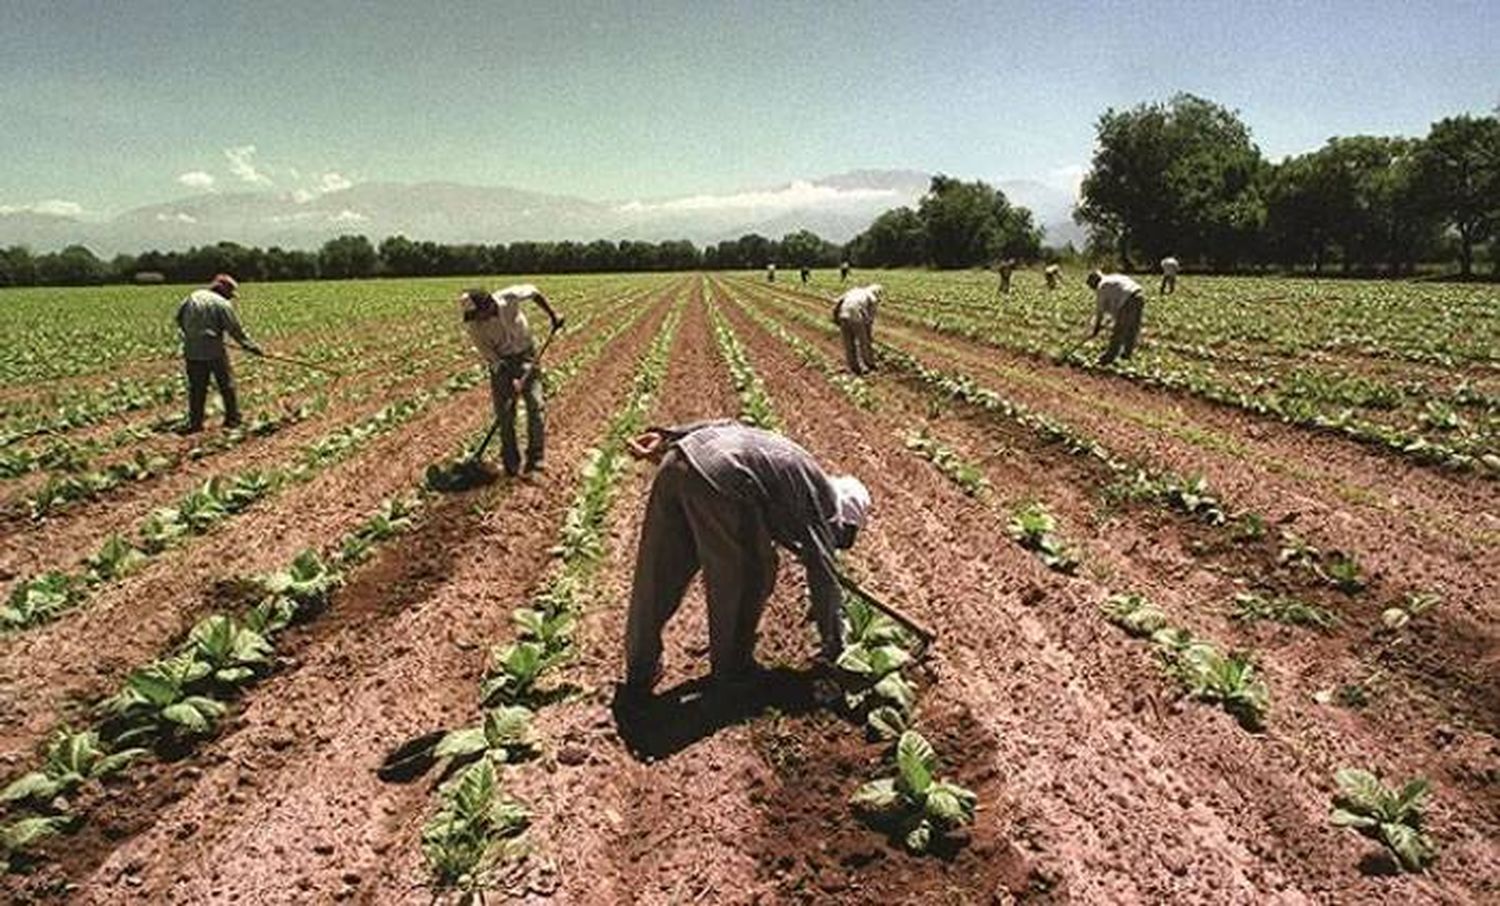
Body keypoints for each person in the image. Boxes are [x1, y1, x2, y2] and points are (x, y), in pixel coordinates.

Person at [622, 420, 871, 697]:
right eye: (842, 535)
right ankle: (733, 670)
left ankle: (640, 669)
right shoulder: (820, 498)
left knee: (659, 572)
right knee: (751, 574)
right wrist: (836, 647)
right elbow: (823, 575)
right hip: (720, 480)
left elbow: (731, 425)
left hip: (678, 460)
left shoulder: (796, 467)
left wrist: (669, 436)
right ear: (843, 517)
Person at [458, 285, 564, 476]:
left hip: (526, 356)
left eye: (477, 314)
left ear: (488, 305)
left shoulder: (509, 298)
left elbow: (534, 292)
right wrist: (510, 378)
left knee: (536, 405)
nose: (476, 319)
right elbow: (493, 359)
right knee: (505, 415)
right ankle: (511, 463)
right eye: (472, 316)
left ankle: (536, 460)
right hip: (501, 363)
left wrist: (553, 315)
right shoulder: (475, 328)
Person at [175, 273, 262, 434]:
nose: (230, 298)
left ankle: (195, 423)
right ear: (224, 291)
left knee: (197, 388)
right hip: (213, 350)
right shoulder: (222, 304)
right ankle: (233, 420)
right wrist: (251, 347)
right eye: (230, 294)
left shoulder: (192, 297)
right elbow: (235, 331)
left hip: (191, 350)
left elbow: (179, 320)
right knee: (226, 384)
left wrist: (193, 335)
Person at [1085, 270, 1145, 365]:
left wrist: (1096, 328)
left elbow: (1100, 311)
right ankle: (1127, 354)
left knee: (1119, 330)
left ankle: (1108, 358)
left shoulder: (1102, 285)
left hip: (1128, 299)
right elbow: (1116, 300)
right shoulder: (1113, 277)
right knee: (1132, 328)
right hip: (1139, 296)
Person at [832, 283, 882, 375]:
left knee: (848, 342)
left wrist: (835, 317)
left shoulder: (853, 291)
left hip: (843, 315)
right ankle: (868, 364)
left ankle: (854, 367)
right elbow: (870, 319)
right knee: (863, 342)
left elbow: (838, 303)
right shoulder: (872, 297)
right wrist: (868, 334)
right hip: (856, 316)